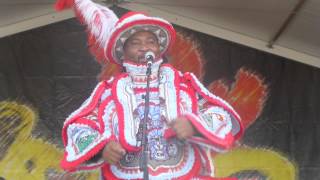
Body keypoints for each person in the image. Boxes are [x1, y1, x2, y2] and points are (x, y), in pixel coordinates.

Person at [56, 0, 243, 179]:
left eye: (151, 41)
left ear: (158, 48)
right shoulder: (108, 92)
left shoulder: (182, 84)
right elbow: (79, 128)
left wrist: (194, 125)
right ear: (123, 50)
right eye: (135, 43)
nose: (144, 47)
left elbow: (220, 114)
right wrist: (102, 148)